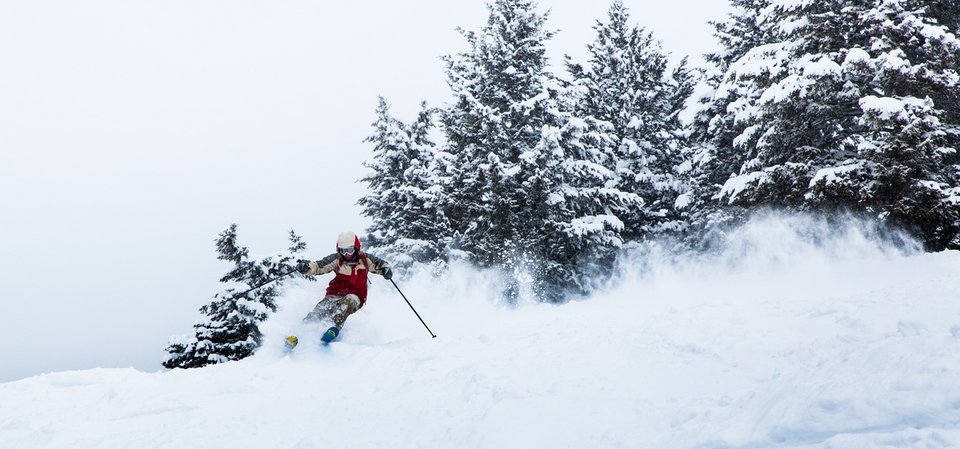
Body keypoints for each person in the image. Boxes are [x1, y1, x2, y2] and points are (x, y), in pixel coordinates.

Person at [287, 231, 393, 347]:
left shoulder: (365, 259)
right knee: (321, 310)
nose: (347, 254)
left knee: (349, 300)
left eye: (350, 250)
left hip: (356, 296)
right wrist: (306, 268)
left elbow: (381, 264)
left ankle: (331, 326)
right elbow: (319, 266)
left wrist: (386, 270)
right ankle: (298, 333)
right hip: (334, 294)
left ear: (356, 248)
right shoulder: (337, 260)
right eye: (343, 251)